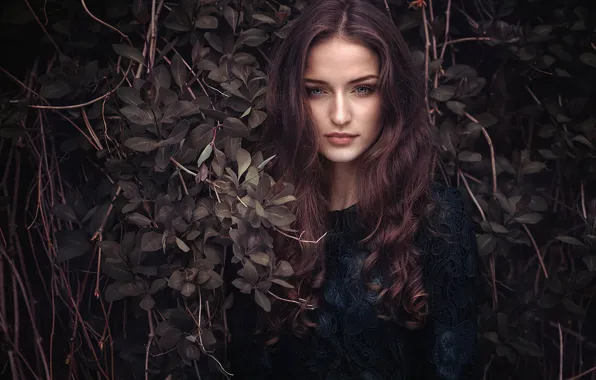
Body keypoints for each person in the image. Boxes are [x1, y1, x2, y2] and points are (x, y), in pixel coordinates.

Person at [226, 0, 480, 379]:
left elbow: (455, 367)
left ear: (391, 95)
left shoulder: (436, 220)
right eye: (317, 91)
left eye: (362, 89)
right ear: (293, 99)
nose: (340, 114)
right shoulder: (262, 221)